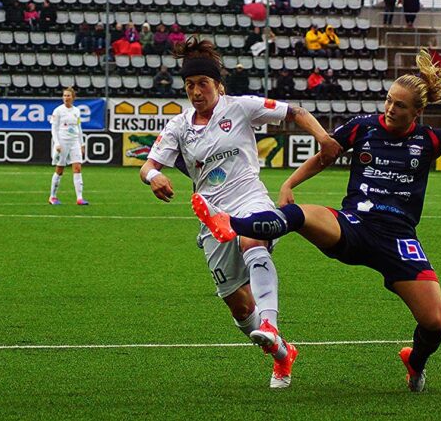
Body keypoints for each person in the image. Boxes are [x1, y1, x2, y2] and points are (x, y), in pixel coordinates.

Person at [190, 50, 441, 393]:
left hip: (398, 239)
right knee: (300, 215)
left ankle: (415, 363)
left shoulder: (429, 139)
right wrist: (289, 183)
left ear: (417, 111)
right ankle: (232, 224)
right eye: (388, 100)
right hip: (353, 224)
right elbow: (325, 155)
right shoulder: (363, 127)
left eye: (400, 105)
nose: (390, 109)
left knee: (435, 322)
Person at [139, 37, 341, 389]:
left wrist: (323, 138)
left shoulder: (241, 106)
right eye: (190, 85)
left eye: (203, 84)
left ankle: (271, 324)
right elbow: (147, 166)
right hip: (212, 216)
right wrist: (155, 177)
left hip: (250, 199)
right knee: (237, 304)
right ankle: (281, 353)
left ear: (218, 85)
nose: (196, 91)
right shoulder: (179, 126)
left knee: (253, 239)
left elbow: (295, 112)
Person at [49, 87, 89, 206]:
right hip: (62, 142)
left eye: (68, 96)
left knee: (77, 168)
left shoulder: (76, 111)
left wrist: (81, 143)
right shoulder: (58, 111)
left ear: (73, 97)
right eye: (64, 95)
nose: (66, 98)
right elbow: (54, 128)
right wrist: (57, 143)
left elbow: (78, 128)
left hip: (74, 142)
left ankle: (80, 198)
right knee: (60, 169)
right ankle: (52, 196)